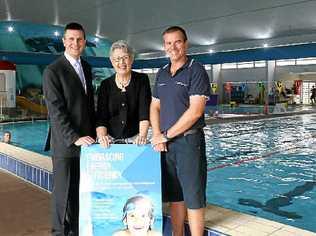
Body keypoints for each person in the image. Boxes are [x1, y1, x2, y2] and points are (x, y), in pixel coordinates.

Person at [150, 26, 210, 236]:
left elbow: (195, 112)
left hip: (188, 142)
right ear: (164, 46)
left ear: (185, 43)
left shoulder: (196, 69)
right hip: (167, 145)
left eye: (177, 42)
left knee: (193, 197)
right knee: (175, 196)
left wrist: (165, 135)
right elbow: (154, 106)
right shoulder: (162, 72)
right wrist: (157, 135)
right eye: (168, 43)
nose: (173, 47)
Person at [42, 22, 96, 236]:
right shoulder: (53, 71)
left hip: (87, 143)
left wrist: (96, 133)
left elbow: (88, 106)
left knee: (78, 193)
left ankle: (74, 232)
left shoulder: (87, 68)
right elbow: (56, 111)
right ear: (64, 41)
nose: (75, 43)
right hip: (66, 145)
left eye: (79, 39)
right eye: (71, 39)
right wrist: (74, 137)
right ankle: (59, 233)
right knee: (62, 196)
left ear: (84, 42)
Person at [96, 40, 151, 147]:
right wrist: (102, 137)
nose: (121, 62)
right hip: (110, 140)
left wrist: (142, 136)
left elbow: (144, 113)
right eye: (117, 59)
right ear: (112, 61)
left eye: (125, 58)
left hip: (136, 138)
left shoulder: (142, 80)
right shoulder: (105, 84)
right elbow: (101, 118)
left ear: (131, 59)